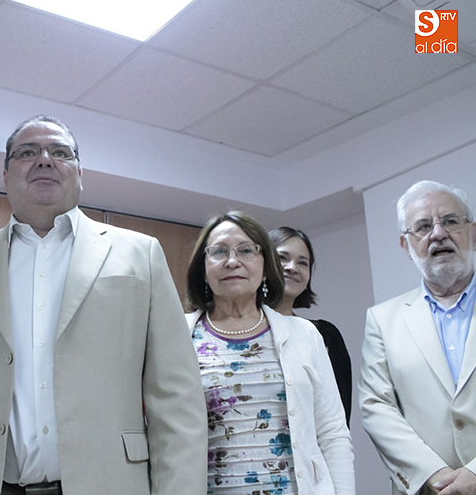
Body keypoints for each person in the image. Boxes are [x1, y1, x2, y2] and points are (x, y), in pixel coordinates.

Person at [0, 115, 207, 495]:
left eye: (60, 152)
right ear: (5, 175)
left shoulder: (140, 255)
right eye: (26, 152)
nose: (43, 159)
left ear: (79, 173)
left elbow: (177, 399)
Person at [185, 212, 354, 494]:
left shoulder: (305, 335)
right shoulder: (179, 336)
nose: (232, 260)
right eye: (218, 251)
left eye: (246, 250)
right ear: (203, 268)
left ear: (265, 267)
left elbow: (333, 434)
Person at [360, 180, 476, 495]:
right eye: (423, 227)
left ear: (473, 232)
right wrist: (434, 474)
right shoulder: (382, 320)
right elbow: (376, 405)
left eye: (450, 221)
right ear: (406, 246)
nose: (438, 233)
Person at [269, 226, 352, 427]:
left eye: (303, 263)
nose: (292, 267)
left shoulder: (324, 335)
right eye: (282, 258)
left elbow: (338, 423)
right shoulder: (240, 331)